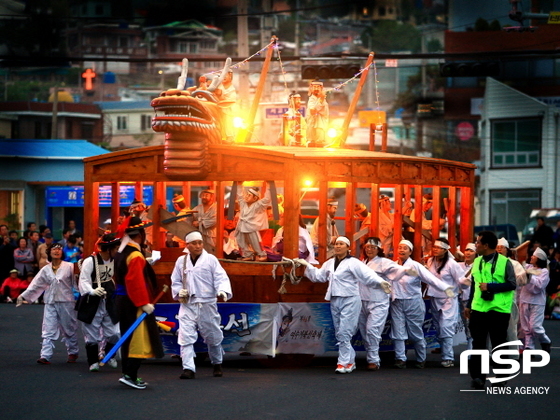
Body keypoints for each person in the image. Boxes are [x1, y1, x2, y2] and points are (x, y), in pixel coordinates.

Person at [294, 236, 391, 374]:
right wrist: (306, 265)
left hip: (350, 299)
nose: (338, 246)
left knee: (345, 332)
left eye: (341, 244)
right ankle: (350, 361)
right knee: (340, 331)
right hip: (335, 299)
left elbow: (367, 275)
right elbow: (319, 276)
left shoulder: (353, 262)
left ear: (347, 247)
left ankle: (342, 362)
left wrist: (380, 283)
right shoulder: (329, 263)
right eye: (336, 244)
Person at [171, 231, 232, 379]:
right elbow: (176, 280)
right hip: (188, 304)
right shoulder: (181, 261)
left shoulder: (211, 260)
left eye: (200, 243)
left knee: (213, 336)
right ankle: (188, 368)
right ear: (188, 245)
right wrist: (180, 292)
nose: (198, 246)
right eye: (194, 243)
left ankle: (217, 363)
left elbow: (220, 277)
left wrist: (222, 291)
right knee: (185, 336)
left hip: (207, 303)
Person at [113, 217, 163, 389]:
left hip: (122, 300)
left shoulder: (121, 252)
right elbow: (135, 282)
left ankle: (128, 373)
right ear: (140, 236)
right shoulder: (134, 255)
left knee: (128, 336)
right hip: (133, 302)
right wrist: (143, 303)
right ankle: (130, 374)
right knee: (137, 339)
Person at [465, 230, 517, 390]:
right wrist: (468, 305)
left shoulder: (504, 262)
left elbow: (512, 284)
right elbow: (474, 285)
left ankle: (501, 377)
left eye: (478, 242)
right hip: (478, 309)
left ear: (486, 245)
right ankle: (478, 377)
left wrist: (491, 287)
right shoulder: (477, 261)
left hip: (498, 310)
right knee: (478, 344)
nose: (476, 245)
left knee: (498, 344)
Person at [392, 239, 454, 369]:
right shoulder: (393, 266)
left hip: (413, 302)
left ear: (410, 251)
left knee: (415, 332)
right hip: (397, 302)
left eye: (405, 248)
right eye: (399, 247)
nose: (401, 250)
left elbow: (430, 279)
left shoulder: (415, 266)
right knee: (397, 332)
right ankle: (400, 359)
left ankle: (421, 359)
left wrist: (445, 288)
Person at [16, 243, 79, 364]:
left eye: (59, 249)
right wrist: (23, 296)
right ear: (49, 253)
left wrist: (84, 293)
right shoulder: (45, 269)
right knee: (48, 328)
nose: (57, 251)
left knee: (69, 327)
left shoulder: (70, 266)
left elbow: (77, 282)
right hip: (50, 301)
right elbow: (36, 284)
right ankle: (45, 355)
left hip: (66, 301)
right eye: (54, 249)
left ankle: (73, 351)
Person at [358, 237, 409, 370]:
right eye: (367, 247)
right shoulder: (362, 262)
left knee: (372, 330)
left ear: (379, 249)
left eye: (373, 247)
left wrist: (404, 272)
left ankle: (374, 360)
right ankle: (371, 356)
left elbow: (398, 270)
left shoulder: (383, 262)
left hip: (378, 301)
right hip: (362, 301)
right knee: (364, 332)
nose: (369, 249)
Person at [78, 233, 121, 372]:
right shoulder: (90, 261)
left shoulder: (116, 259)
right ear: (107, 249)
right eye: (115, 248)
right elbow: (83, 280)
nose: (117, 250)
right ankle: (93, 362)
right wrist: (91, 291)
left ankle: (109, 354)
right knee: (91, 333)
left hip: (108, 297)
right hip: (92, 299)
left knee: (115, 332)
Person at [425, 238, 464, 367]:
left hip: (449, 298)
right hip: (434, 297)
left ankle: (448, 357)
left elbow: (461, 281)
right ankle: (443, 351)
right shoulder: (430, 261)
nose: (435, 249)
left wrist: (460, 294)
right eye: (434, 247)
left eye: (438, 247)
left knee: (445, 327)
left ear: (445, 250)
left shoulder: (452, 264)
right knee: (437, 327)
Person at [519, 247, 551, 353]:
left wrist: (529, 275)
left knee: (534, 326)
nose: (532, 257)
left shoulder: (544, 271)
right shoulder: (527, 267)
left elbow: (540, 285)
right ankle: (529, 348)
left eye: (534, 256)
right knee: (525, 327)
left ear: (539, 259)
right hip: (524, 299)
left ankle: (545, 340)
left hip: (537, 302)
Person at [496, 237, 527, 346]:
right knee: (493, 329)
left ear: (507, 250)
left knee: (511, 329)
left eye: (502, 247)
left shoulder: (514, 264)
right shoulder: (490, 262)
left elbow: (522, 280)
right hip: (492, 301)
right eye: (497, 247)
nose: (499, 249)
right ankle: (490, 354)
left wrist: (527, 273)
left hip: (509, 300)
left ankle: (513, 355)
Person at [235, 183, 271, 262]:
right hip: (241, 226)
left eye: (249, 195)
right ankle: (248, 255)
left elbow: (267, 199)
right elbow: (240, 195)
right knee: (240, 240)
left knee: (255, 242)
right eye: (247, 194)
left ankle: (262, 254)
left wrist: (269, 185)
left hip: (252, 227)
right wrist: (239, 185)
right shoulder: (243, 203)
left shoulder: (258, 205)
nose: (246, 196)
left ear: (255, 198)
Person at [457, 242, 476, 351]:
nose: (468, 253)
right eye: (466, 250)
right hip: (458, 298)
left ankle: (471, 349)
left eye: (471, 250)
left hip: (470, 299)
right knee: (464, 324)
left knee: (470, 324)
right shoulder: (458, 265)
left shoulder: (478, 266)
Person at [192, 189, 217, 254]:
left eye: (206, 195)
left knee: (213, 251)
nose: (204, 197)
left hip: (212, 235)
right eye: (202, 195)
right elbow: (191, 216)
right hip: (200, 234)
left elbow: (215, 220)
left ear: (211, 197)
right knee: (201, 251)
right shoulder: (198, 208)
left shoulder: (216, 207)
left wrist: (201, 223)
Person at [306, 80, 329, 147]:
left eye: (318, 87)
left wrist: (321, 99)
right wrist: (321, 100)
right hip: (313, 126)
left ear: (321, 88)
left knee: (321, 143)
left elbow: (325, 113)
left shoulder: (323, 100)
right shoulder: (311, 99)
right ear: (311, 88)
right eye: (314, 87)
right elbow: (312, 111)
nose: (316, 89)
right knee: (314, 143)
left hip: (322, 124)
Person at [216, 70, 237, 143]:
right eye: (222, 75)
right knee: (219, 124)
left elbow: (232, 100)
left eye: (226, 75)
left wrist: (221, 98)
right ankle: (219, 137)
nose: (224, 77)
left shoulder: (232, 89)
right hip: (217, 109)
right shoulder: (219, 86)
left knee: (228, 122)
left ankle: (230, 137)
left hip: (228, 109)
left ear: (230, 76)